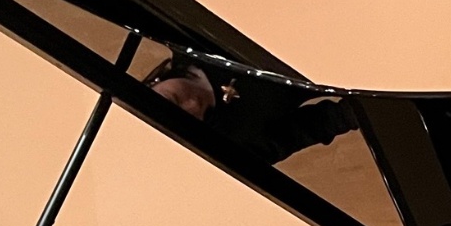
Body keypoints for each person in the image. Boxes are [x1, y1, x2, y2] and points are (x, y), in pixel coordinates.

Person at [145, 50, 359, 163]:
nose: (192, 104)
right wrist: (361, 105)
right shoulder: (236, 145)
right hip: (348, 66)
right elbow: (322, 124)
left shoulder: (184, 35)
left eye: (173, 99)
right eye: (188, 121)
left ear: (152, 83)